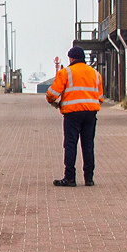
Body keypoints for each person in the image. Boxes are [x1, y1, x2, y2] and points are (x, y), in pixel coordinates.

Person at [46, 45, 103, 187]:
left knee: (70, 145)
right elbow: (100, 97)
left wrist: (52, 101)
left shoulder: (66, 73)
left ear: (71, 58)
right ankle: (89, 178)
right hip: (90, 113)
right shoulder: (95, 73)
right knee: (88, 145)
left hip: (72, 114)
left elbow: (52, 94)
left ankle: (70, 177)